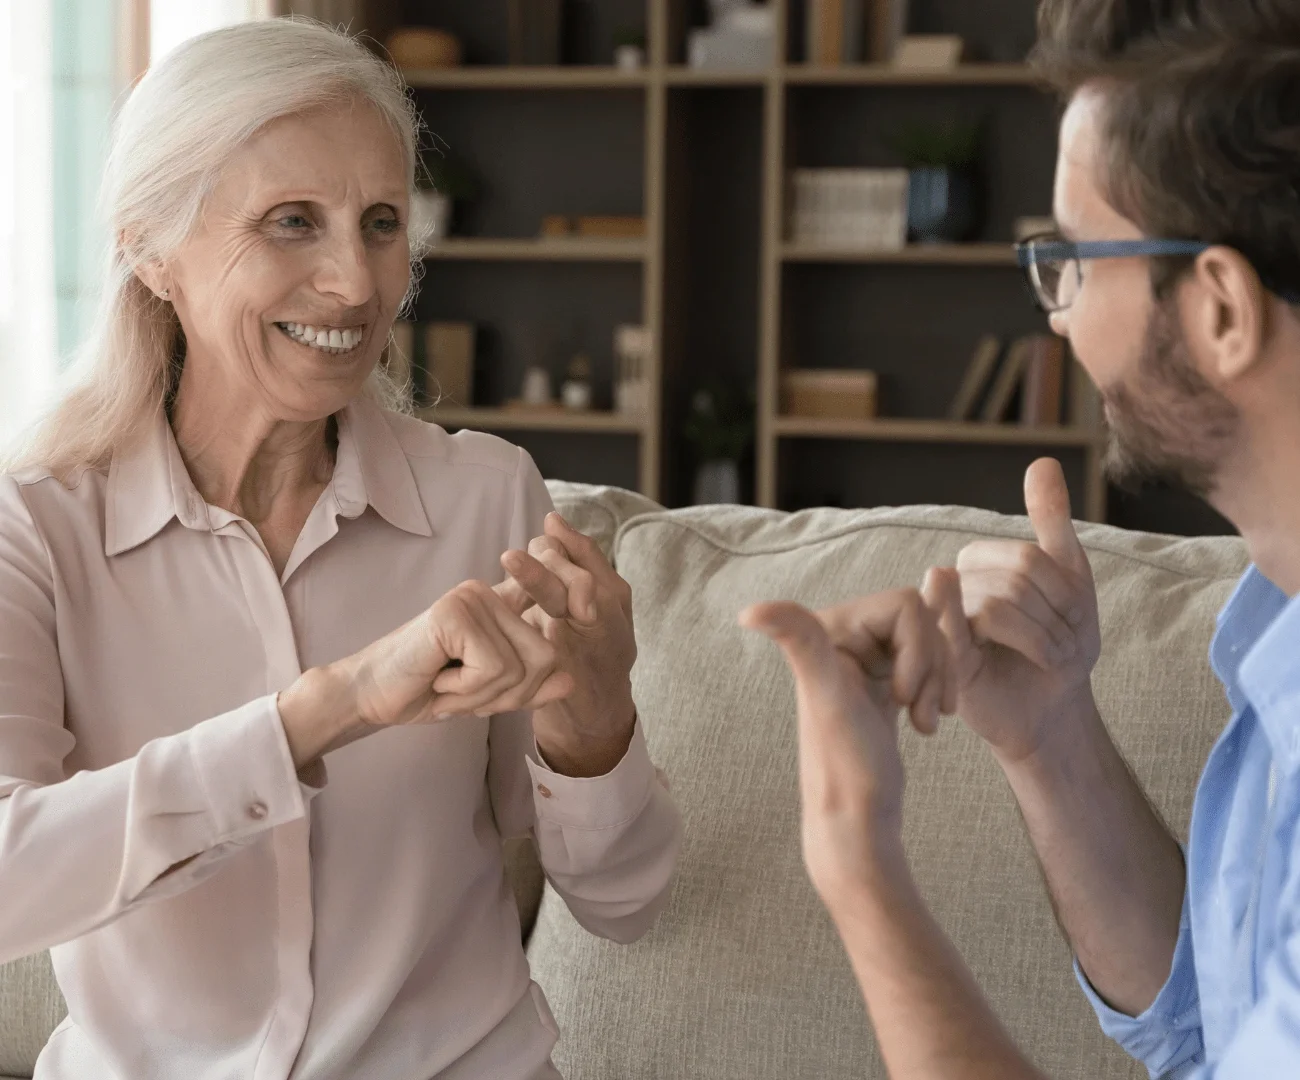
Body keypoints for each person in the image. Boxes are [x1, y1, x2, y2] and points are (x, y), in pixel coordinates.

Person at [0, 19, 680, 1080]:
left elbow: (626, 903)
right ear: (149, 250)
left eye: (379, 223)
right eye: (290, 223)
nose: (358, 285)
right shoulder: (33, 527)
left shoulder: (485, 498)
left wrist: (595, 725)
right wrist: (338, 704)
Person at [743, 1, 1300, 1077]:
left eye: (1075, 259)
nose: (1055, 317)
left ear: (1221, 308)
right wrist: (1048, 736)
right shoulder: (1277, 627)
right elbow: (1203, 1029)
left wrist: (859, 870)